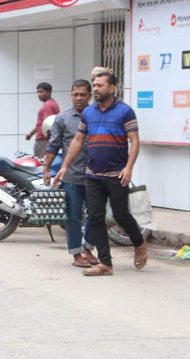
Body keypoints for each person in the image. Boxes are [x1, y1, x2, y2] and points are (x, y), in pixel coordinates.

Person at [54, 72, 147, 276]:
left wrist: (129, 167)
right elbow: (78, 140)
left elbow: (135, 141)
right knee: (96, 218)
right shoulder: (89, 113)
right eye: (94, 85)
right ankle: (106, 263)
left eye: (99, 85)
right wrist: (64, 166)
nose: (95, 89)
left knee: (121, 215)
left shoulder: (125, 112)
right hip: (93, 174)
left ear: (112, 88)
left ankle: (139, 243)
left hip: (117, 174)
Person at [44, 80, 99, 267]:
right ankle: (76, 253)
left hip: (95, 175)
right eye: (75, 94)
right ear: (71, 95)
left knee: (95, 214)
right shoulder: (63, 118)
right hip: (72, 176)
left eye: (82, 94)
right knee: (73, 215)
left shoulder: (97, 116)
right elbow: (54, 145)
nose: (79, 98)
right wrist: (47, 168)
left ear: (90, 96)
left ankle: (88, 248)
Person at [26, 82, 60, 158]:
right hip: (46, 140)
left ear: (49, 92)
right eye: (38, 92)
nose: (39, 94)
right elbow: (42, 123)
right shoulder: (53, 103)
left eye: (41, 92)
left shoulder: (47, 105)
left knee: (41, 164)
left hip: (44, 141)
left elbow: (48, 125)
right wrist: (31, 133)